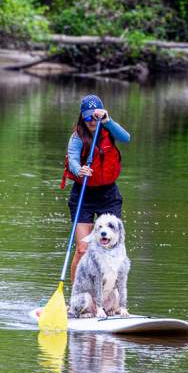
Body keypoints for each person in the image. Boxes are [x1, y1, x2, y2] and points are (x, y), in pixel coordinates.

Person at [61, 94, 131, 283]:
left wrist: (108, 121)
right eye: (87, 117)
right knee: (83, 249)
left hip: (108, 194)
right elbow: (73, 158)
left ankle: (110, 298)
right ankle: (76, 296)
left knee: (110, 248)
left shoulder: (108, 129)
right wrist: (79, 169)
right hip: (83, 193)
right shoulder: (77, 136)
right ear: (82, 116)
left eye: (95, 116)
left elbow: (126, 138)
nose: (92, 121)